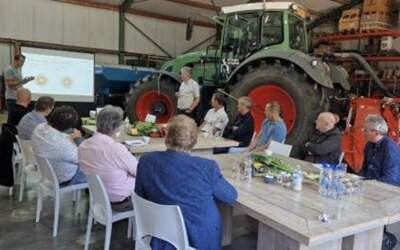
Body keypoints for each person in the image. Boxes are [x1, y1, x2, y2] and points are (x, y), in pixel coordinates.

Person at [135, 115, 237, 250]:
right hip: (199, 240)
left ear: (166, 138)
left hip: (161, 235)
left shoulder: (146, 161)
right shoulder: (207, 167)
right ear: (194, 141)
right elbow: (230, 196)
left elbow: (140, 195)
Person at [79, 105, 138, 211]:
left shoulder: (83, 145)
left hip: (97, 197)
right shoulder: (116, 149)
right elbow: (139, 172)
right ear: (117, 127)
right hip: (121, 201)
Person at [31, 106, 86, 185]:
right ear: (68, 127)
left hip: (45, 173)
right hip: (63, 179)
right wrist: (76, 138)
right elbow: (82, 159)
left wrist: (70, 137)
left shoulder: (39, 128)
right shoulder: (64, 146)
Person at [361, 115, 400, 186]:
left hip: (386, 189)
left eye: (365, 130)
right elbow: (364, 169)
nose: (363, 132)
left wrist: (369, 185)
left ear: (376, 133)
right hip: (370, 185)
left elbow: (390, 178)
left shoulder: (390, 148)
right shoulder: (369, 145)